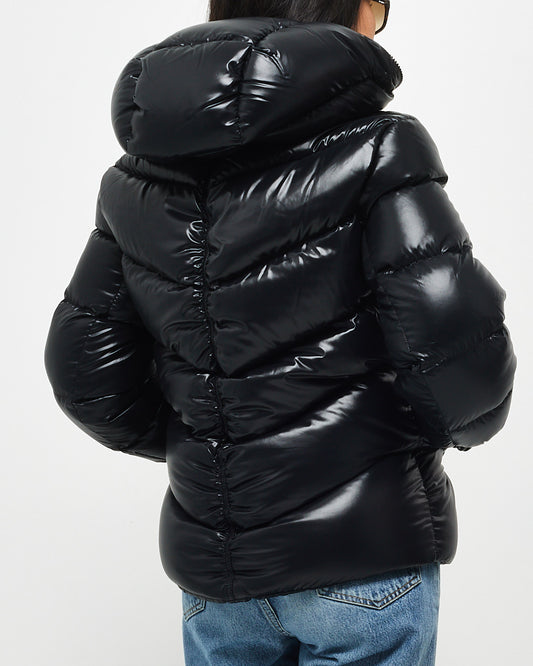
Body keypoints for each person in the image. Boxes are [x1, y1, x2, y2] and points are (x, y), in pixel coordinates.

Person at [43, 1, 517, 664]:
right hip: (362, 548)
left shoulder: (134, 179)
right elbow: (455, 339)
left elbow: (84, 369)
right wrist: (428, 432)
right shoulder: (379, 149)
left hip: (218, 576)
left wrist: (213, 434)